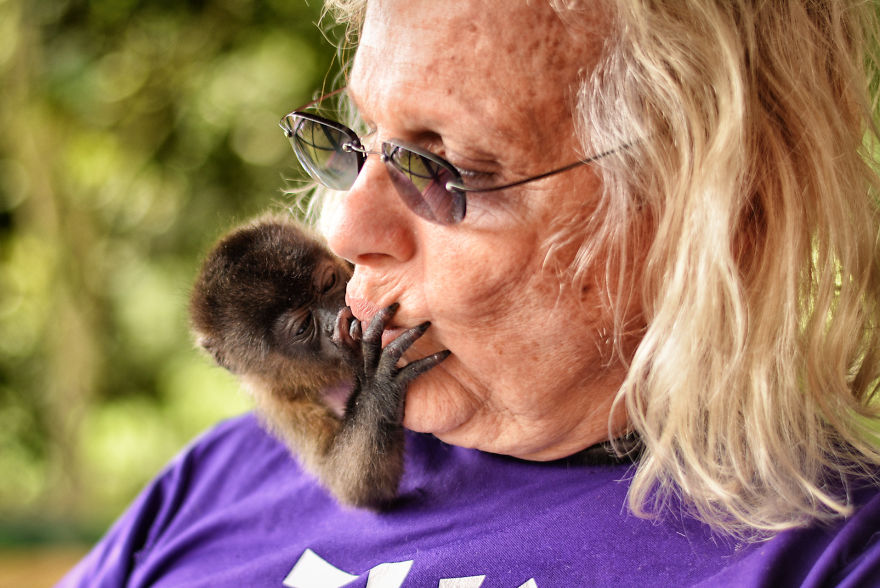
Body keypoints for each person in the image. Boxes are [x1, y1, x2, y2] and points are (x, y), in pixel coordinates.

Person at [60, 0, 880, 586]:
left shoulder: (827, 552)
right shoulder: (220, 481)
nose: (344, 235)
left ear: (704, 202)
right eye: (362, 143)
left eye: (446, 169)